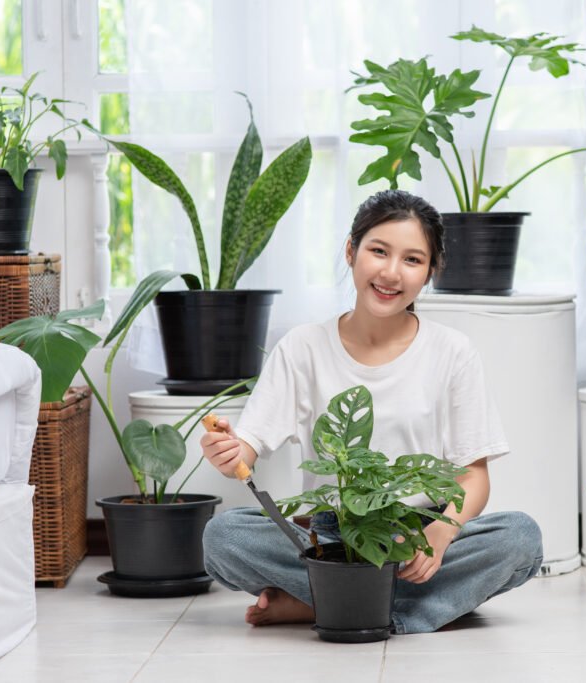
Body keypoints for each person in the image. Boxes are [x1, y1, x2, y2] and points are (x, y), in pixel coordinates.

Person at [201, 189, 543, 634]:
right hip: (330, 537)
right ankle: (402, 608)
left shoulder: (453, 352)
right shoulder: (303, 347)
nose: (391, 272)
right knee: (223, 537)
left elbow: (473, 476)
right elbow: (246, 451)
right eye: (378, 251)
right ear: (351, 250)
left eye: (413, 260)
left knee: (520, 539)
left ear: (430, 272)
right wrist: (228, 450)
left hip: (418, 535)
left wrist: (442, 535)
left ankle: (327, 603)